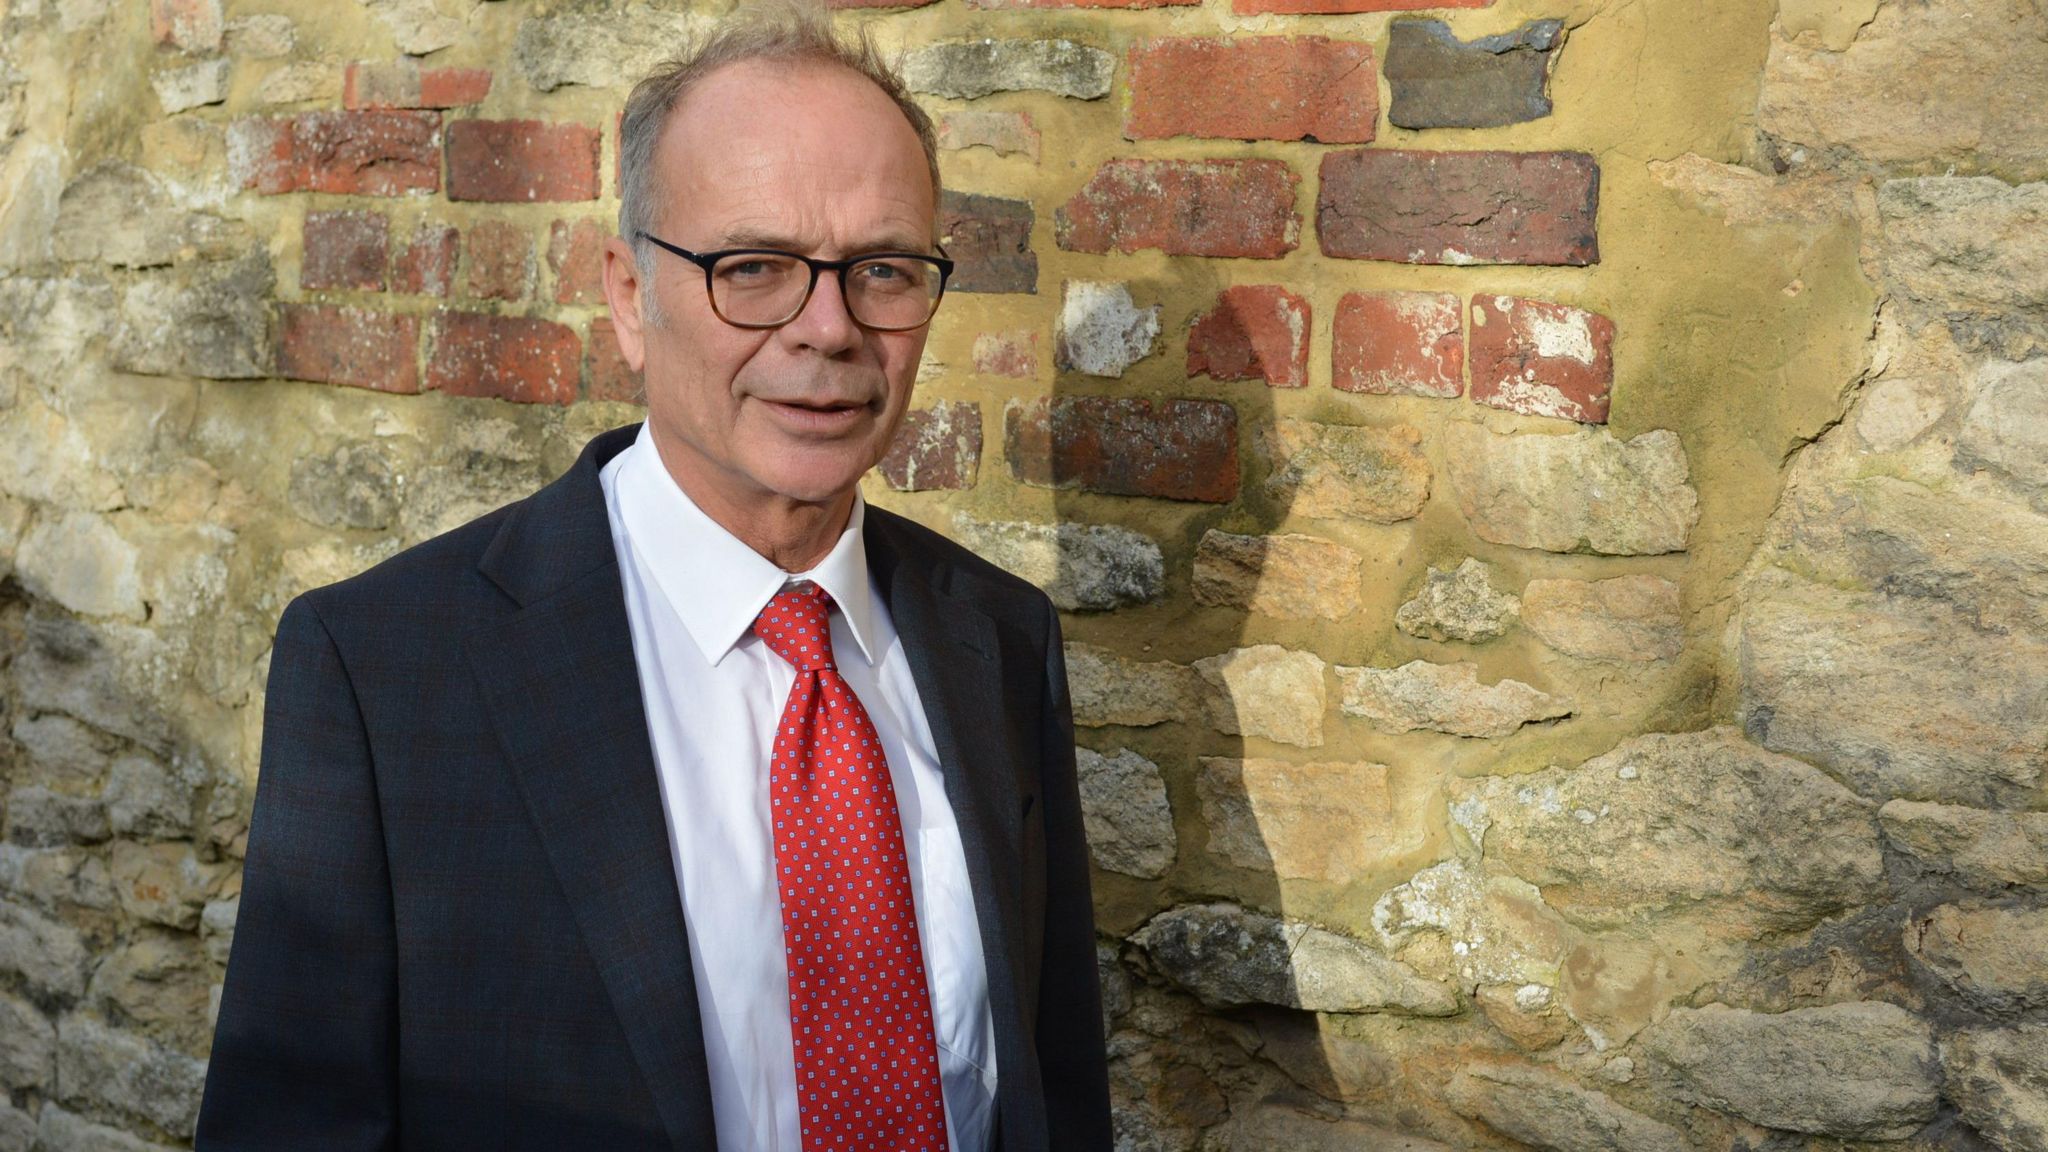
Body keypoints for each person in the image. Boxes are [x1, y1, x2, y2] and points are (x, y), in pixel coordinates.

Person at [193, 5, 1112, 1149]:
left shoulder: (997, 639)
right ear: (630, 296)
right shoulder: (386, 675)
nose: (826, 329)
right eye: (755, 267)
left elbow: (1056, 1093)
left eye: (880, 270)